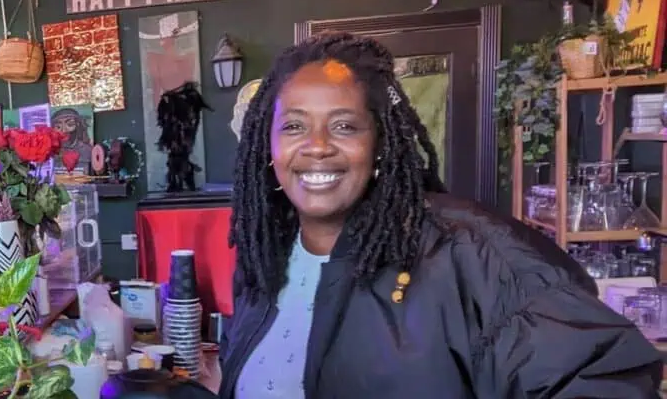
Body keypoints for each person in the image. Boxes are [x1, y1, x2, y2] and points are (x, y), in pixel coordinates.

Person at [219, 31, 663, 399]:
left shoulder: (468, 249)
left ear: (380, 145)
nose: (316, 145)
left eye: (344, 125)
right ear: (267, 146)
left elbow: (603, 379)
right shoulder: (263, 259)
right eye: (294, 126)